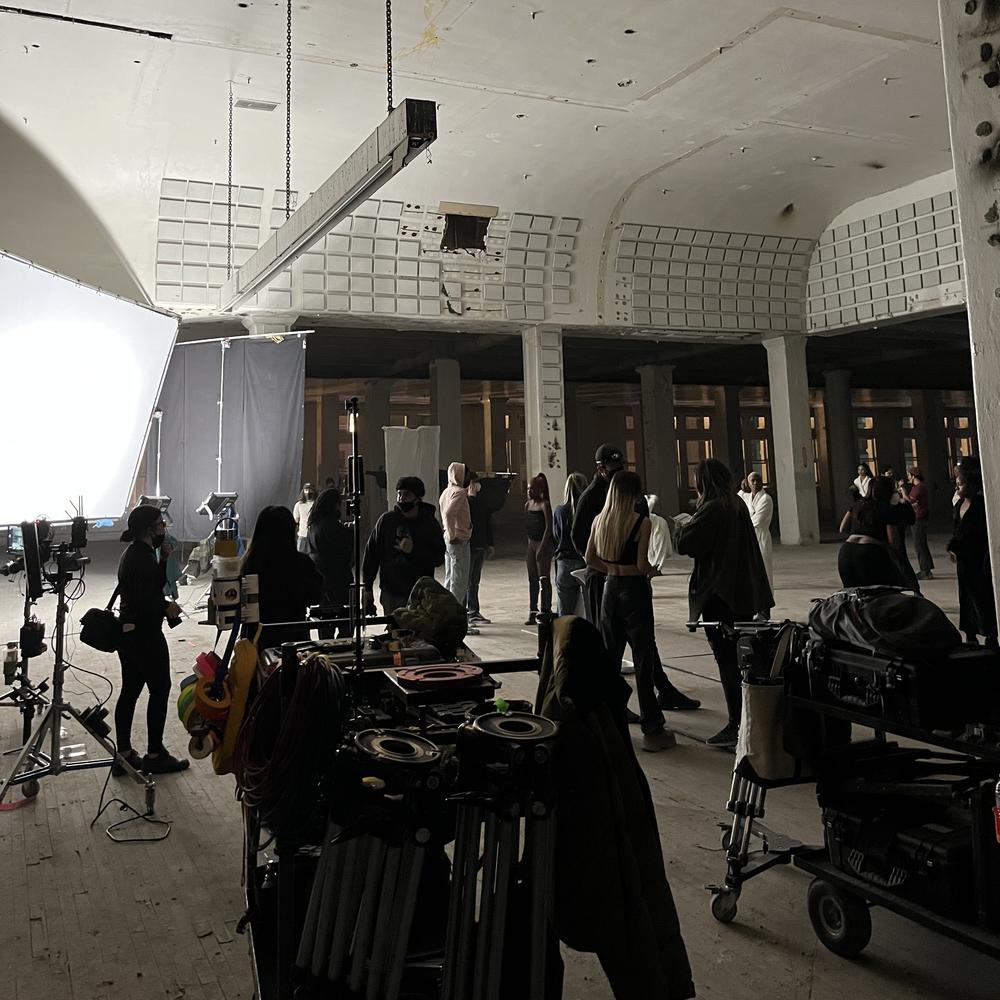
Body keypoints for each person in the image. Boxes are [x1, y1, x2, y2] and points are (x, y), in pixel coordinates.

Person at [676, 459, 773, 750]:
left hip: (720, 593)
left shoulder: (713, 508)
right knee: (742, 658)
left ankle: (736, 723)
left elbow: (688, 545)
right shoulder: (736, 504)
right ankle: (749, 719)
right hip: (741, 590)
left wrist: (684, 526)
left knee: (726, 659)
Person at [586, 472, 679, 752]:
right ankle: (652, 724)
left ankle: (610, 718)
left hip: (609, 590)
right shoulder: (642, 523)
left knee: (611, 658)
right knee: (643, 657)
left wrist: (612, 571)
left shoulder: (599, 521)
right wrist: (651, 570)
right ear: (634, 495)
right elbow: (641, 566)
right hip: (634, 592)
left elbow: (589, 558)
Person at [114, 504, 189, 775]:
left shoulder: (135, 553)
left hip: (129, 634)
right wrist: (165, 607)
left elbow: (147, 586)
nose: (163, 529)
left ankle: (123, 754)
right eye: (160, 525)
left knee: (131, 690)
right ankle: (155, 754)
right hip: (145, 635)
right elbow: (147, 599)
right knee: (160, 688)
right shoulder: (142, 557)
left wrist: (163, 560)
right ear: (149, 529)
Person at [241, 506, 323, 650]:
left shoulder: (249, 564)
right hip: (294, 639)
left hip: (257, 639)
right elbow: (316, 596)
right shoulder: (302, 563)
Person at [363, 477, 446, 615]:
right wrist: (367, 587)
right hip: (391, 592)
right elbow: (371, 554)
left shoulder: (429, 524)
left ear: (418, 498)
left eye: (406, 494)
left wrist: (414, 550)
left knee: (418, 633)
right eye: (399, 494)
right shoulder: (386, 521)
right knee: (394, 633)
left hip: (420, 593)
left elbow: (438, 558)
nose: (401, 498)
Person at [571, 443, 626, 623]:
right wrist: (595, 560)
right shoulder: (590, 497)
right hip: (601, 572)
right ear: (601, 469)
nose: (618, 473)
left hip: (626, 572)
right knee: (602, 629)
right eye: (613, 469)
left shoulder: (626, 492)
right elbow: (578, 535)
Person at [948, 467, 997, 647]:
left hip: (978, 556)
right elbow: (957, 530)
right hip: (963, 559)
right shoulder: (959, 504)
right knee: (966, 595)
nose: (957, 488)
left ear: (972, 485)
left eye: (960, 484)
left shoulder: (982, 505)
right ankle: (970, 632)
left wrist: (987, 556)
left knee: (982, 595)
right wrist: (952, 547)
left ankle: (990, 632)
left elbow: (987, 532)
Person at [837, 478, 907, 588]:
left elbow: (842, 528)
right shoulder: (886, 509)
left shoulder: (858, 504)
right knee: (880, 592)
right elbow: (893, 542)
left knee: (854, 595)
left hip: (846, 551)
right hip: (869, 552)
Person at [307, 487, 354, 635]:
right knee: (345, 623)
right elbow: (345, 548)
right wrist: (350, 532)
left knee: (325, 624)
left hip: (322, 579)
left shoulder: (313, 525)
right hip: (337, 578)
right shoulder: (331, 525)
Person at [738, 472, 774, 612]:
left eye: (758, 480)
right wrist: (742, 488)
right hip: (750, 537)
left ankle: (765, 607)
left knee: (763, 569)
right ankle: (753, 604)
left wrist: (742, 523)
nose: (755, 483)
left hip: (761, 536)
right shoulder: (747, 497)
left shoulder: (766, 499)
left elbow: (757, 521)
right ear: (747, 483)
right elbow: (738, 498)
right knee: (750, 571)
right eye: (752, 481)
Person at [553, 472, 588, 615]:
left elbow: (555, 536)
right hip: (583, 561)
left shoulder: (560, 511)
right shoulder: (587, 511)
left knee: (564, 610)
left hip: (564, 562)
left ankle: (563, 636)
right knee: (585, 609)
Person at [440, 462, 473, 604]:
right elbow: (448, 513)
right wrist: (453, 535)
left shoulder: (446, 491)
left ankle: (448, 614)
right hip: (458, 540)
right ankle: (455, 616)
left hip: (450, 538)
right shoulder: (458, 492)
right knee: (459, 582)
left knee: (450, 578)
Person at [465, 471, 494, 627]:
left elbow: (487, 524)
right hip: (469, 546)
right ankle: (466, 612)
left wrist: (490, 544)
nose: (476, 485)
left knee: (474, 581)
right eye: (473, 482)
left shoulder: (482, 503)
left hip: (480, 546)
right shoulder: (465, 502)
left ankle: (474, 611)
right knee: (467, 580)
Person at [524, 473, 554, 625]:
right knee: (532, 579)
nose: (529, 491)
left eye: (532, 489)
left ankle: (545, 609)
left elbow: (549, 528)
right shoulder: (528, 505)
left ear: (539, 489)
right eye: (528, 489)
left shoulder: (544, 505)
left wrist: (542, 547)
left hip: (542, 544)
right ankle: (532, 610)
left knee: (544, 578)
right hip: (531, 543)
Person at [905, 468, 933, 580]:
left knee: (919, 544)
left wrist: (902, 489)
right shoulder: (916, 487)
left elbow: (910, 500)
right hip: (918, 516)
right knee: (922, 543)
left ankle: (925, 571)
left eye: (909, 475)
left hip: (919, 517)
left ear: (913, 476)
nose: (907, 477)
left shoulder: (919, 487)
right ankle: (927, 569)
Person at [645, 494, 674, 574]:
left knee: (658, 547)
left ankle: (656, 567)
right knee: (651, 548)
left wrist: (652, 500)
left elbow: (646, 512)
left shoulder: (642, 501)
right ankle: (654, 567)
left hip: (658, 525)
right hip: (651, 525)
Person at [292, 483, 317, 553]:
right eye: (306, 490)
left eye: (310, 489)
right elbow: (296, 520)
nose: (308, 492)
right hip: (302, 536)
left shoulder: (317, 504)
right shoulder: (299, 505)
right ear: (303, 491)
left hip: (314, 536)